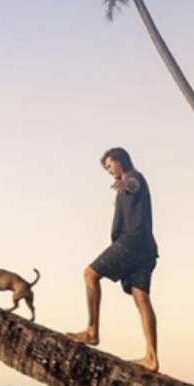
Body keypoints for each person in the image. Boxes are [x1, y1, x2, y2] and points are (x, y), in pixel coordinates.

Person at [67, 147, 160, 372]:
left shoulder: (133, 179)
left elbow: (133, 185)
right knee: (141, 298)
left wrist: (125, 183)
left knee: (89, 274)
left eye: (110, 166)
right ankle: (152, 358)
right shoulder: (129, 184)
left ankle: (92, 331)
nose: (109, 171)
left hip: (132, 243)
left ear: (120, 161)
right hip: (146, 249)